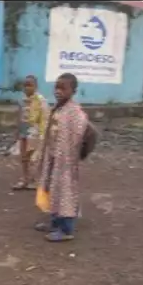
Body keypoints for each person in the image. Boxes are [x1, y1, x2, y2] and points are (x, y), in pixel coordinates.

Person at [35, 73, 88, 242]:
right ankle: (55, 222)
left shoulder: (75, 112)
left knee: (66, 192)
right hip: (54, 159)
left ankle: (66, 229)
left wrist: (73, 154)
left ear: (73, 91)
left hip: (65, 162)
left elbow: (82, 132)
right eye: (56, 87)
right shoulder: (58, 108)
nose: (58, 91)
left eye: (63, 88)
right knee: (53, 190)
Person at [12, 75, 48, 191]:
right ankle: (25, 179)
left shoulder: (40, 100)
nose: (27, 88)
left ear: (36, 86)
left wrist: (43, 134)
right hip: (23, 132)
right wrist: (17, 131)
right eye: (25, 85)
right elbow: (19, 116)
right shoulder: (21, 100)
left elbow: (45, 117)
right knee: (23, 157)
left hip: (35, 133)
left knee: (34, 158)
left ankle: (34, 180)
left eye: (30, 85)